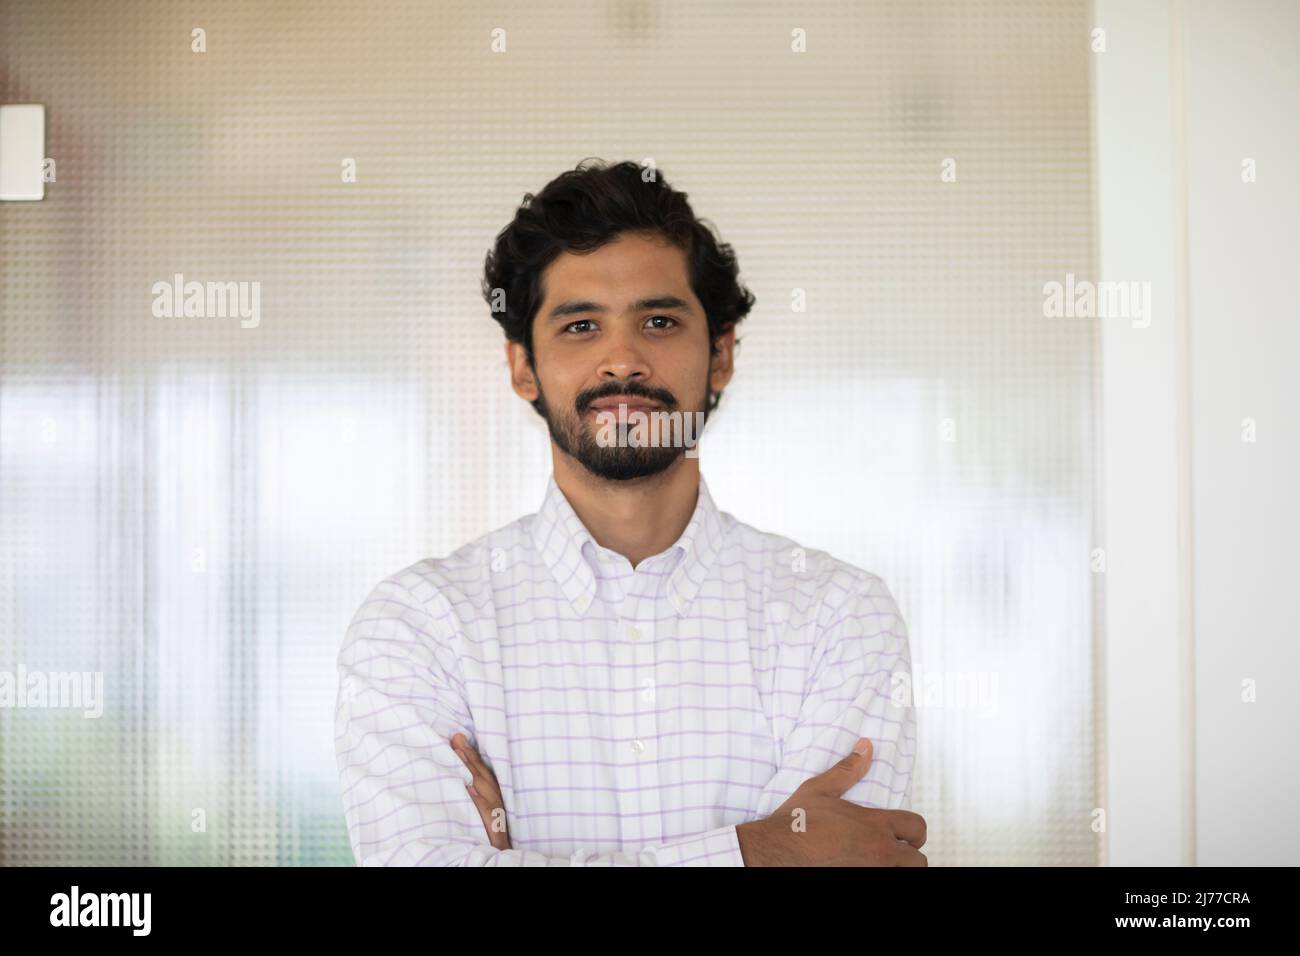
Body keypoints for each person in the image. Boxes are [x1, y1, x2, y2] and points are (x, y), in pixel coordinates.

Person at [334, 159, 925, 866]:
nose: (622, 360)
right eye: (581, 325)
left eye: (659, 320)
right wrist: (758, 851)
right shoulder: (419, 626)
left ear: (721, 356)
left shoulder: (840, 617)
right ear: (523, 366)